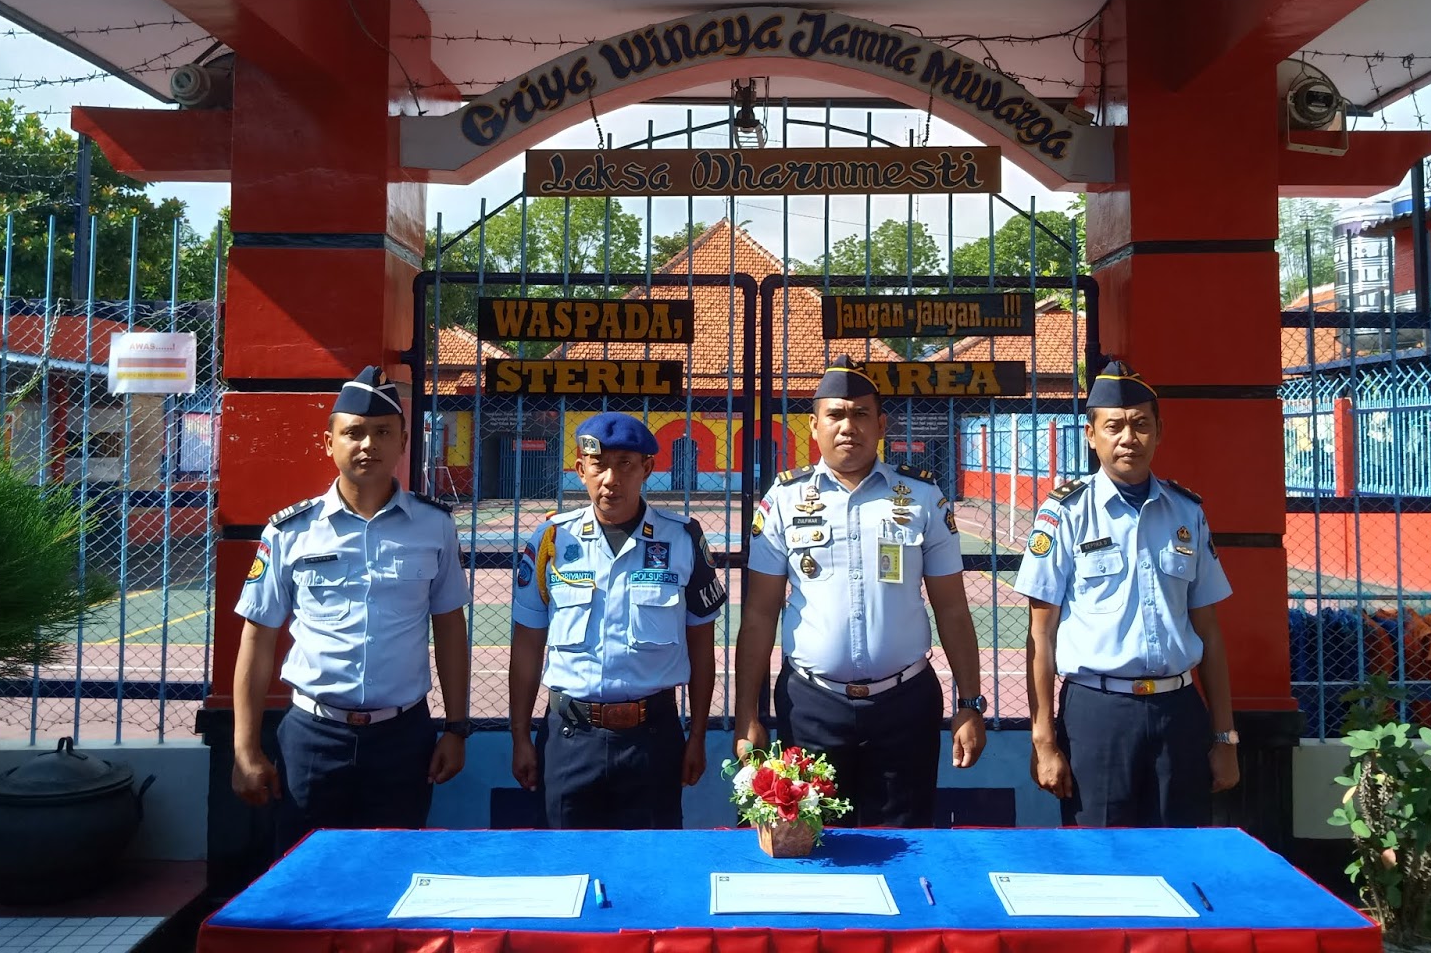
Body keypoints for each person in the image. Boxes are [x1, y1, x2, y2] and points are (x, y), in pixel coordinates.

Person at [733, 355, 988, 828]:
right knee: (809, 846)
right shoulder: (783, 500)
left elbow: (952, 609)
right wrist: (748, 714)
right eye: (835, 414)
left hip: (905, 705)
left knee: (904, 846)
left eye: (860, 413)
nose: (847, 425)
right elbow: (759, 616)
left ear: (881, 424)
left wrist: (969, 704)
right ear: (813, 425)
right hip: (811, 706)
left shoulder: (922, 498)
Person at [231, 366, 472, 851]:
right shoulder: (289, 532)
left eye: (383, 433)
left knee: (394, 873)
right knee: (304, 879)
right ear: (329, 443)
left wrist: (457, 728)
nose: (368, 445)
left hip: (404, 739)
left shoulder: (434, 527)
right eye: (354, 433)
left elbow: (450, 630)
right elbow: (256, 639)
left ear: (404, 441)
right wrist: (244, 749)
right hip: (312, 737)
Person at [1017, 360, 1240, 828]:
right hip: (1098, 715)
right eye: (1114, 426)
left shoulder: (1187, 512)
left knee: (1180, 857)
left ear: (1159, 431)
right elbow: (1041, 635)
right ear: (1091, 435)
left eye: (1141, 425)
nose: (1128, 438)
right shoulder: (1066, 513)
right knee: (1100, 862)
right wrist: (1044, 742)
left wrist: (1224, 737)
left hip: (1178, 713)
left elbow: (1211, 634)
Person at [509, 412, 726, 829]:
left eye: (625, 463)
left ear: (647, 468)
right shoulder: (551, 541)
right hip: (569, 739)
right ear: (580, 470)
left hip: (653, 739)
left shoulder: (682, 540)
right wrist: (519, 735)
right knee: (566, 867)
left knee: (651, 872)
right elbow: (527, 646)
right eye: (599, 464)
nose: (611, 478)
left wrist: (697, 734)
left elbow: (702, 645)